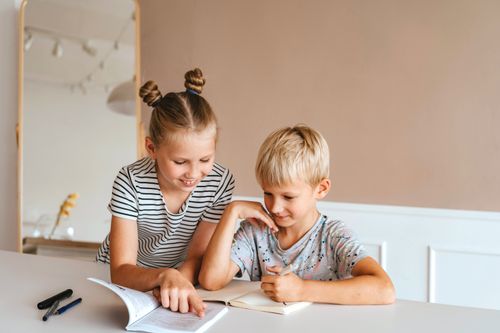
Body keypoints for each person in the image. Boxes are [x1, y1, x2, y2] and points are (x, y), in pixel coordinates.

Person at [199, 125, 395, 305]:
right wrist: (232, 212)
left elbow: (384, 290)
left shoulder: (334, 236)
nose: (275, 207)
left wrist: (302, 290)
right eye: (268, 193)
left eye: (288, 196)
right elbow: (211, 281)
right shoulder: (255, 231)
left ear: (321, 189)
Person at [96, 68, 235, 316]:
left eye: (205, 159)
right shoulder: (130, 181)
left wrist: (175, 283)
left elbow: (196, 256)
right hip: (127, 279)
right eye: (180, 162)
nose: (193, 173)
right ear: (151, 148)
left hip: (178, 278)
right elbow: (120, 269)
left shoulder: (220, 182)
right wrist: (163, 278)